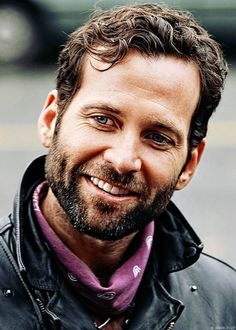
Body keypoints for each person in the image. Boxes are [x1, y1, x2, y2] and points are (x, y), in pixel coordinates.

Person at [0, 3, 235, 330]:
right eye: (102, 120)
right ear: (51, 120)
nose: (123, 159)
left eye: (158, 137)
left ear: (189, 164)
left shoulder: (224, 304)